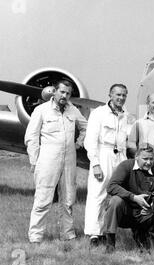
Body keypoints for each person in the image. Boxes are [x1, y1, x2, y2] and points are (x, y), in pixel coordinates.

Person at [24, 79, 87, 243]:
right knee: (43, 199)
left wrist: (79, 142)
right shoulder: (41, 110)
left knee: (68, 199)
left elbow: (86, 127)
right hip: (47, 161)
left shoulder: (73, 111)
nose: (64, 96)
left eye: (68, 93)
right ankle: (35, 237)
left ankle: (67, 234)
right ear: (55, 91)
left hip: (69, 161)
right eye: (62, 92)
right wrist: (34, 160)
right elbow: (31, 137)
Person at [84, 83, 135, 247]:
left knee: (117, 194)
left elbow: (130, 140)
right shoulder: (98, 113)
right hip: (103, 153)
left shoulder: (127, 116)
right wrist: (95, 163)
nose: (121, 98)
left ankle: (108, 231)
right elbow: (90, 140)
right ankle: (94, 233)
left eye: (124, 95)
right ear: (110, 95)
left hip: (120, 156)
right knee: (97, 193)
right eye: (118, 95)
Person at [103, 145, 154, 252]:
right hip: (126, 212)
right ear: (136, 157)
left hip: (146, 213)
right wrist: (134, 197)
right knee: (115, 201)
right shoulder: (126, 166)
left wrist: (153, 208)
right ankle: (110, 243)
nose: (148, 162)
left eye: (151, 159)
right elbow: (111, 186)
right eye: (145, 159)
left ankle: (146, 238)